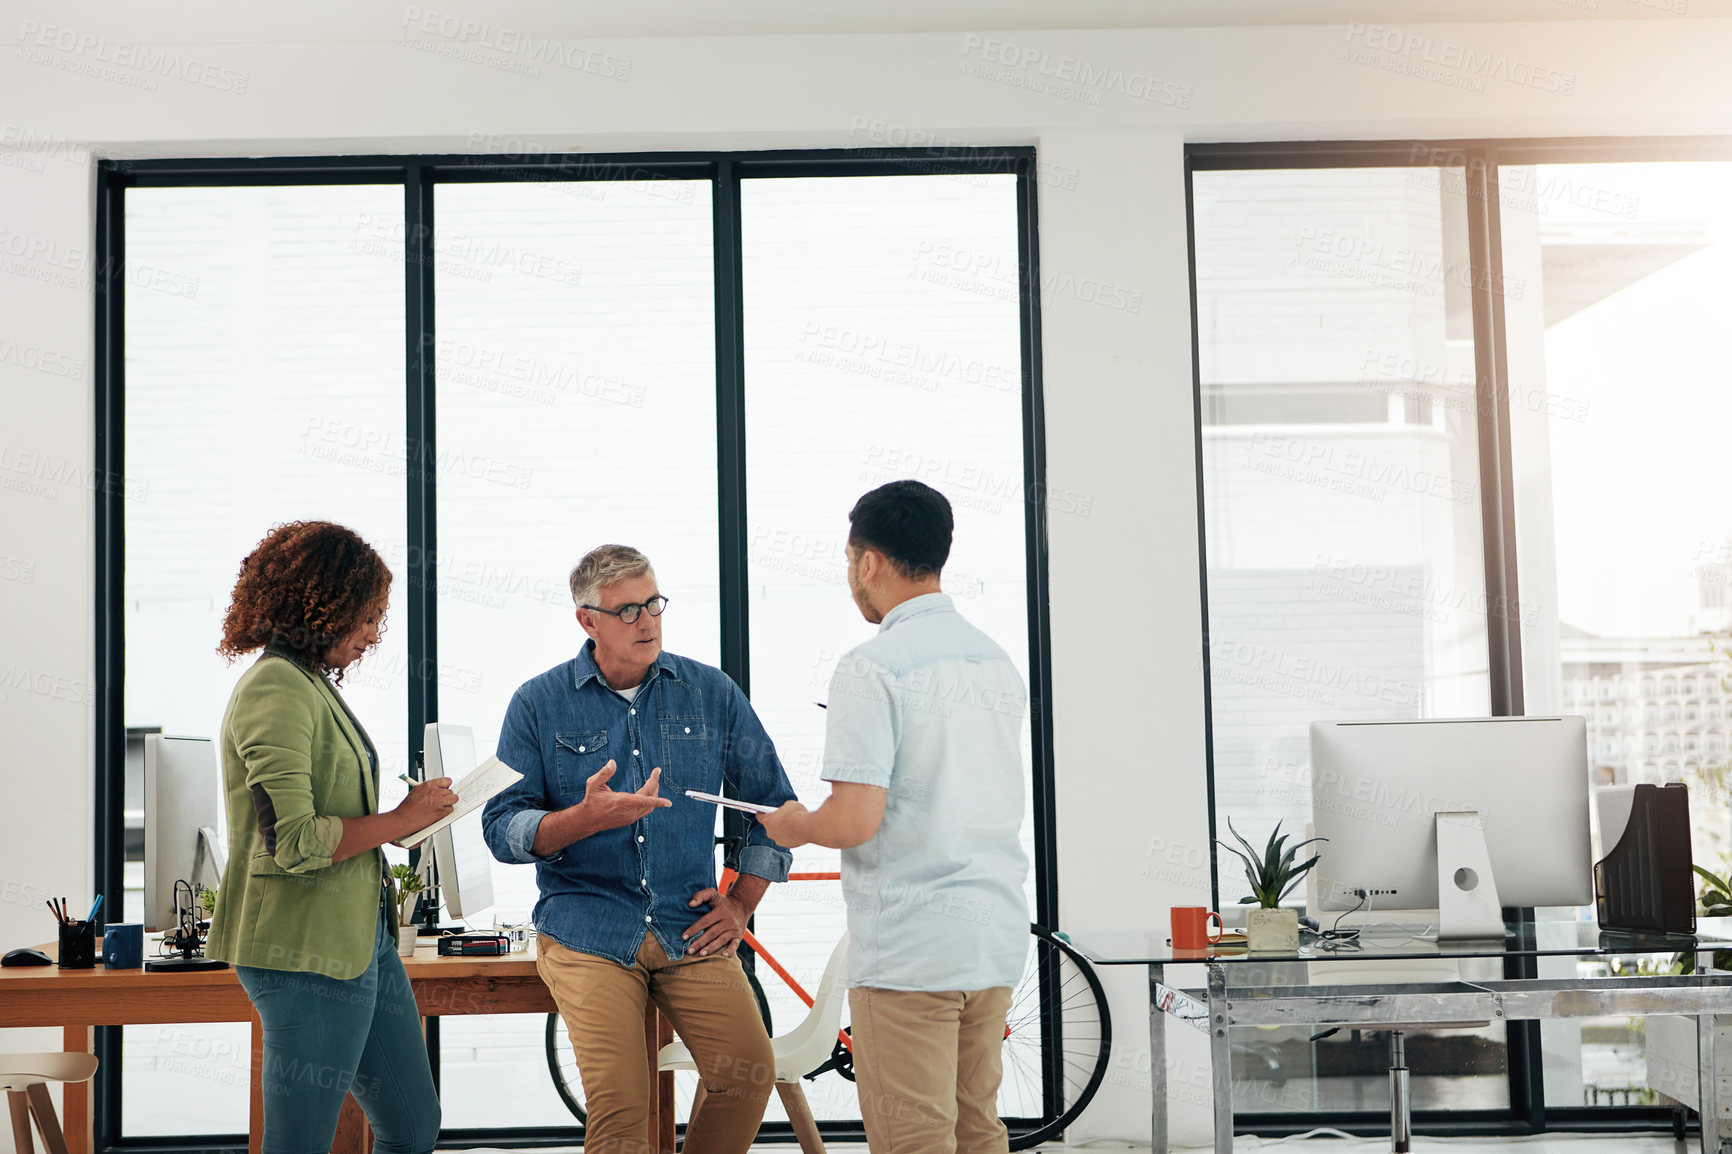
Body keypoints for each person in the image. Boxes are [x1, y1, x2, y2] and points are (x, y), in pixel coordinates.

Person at [482, 544, 797, 1154]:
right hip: (587, 930)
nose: (648, 620)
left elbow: (774, 810)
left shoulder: (711, 693)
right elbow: (502, 828)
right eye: (627, 610)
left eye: (654, 603)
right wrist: (582, 819)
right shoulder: (536, 703)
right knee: (623, 1112)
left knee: (745, 1076)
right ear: (587, 620)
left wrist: (739, 905)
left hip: (689, 927)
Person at [759, 481, 1029, 1154]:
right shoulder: (994, 662)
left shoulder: (871, 667)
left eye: (850, 561)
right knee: (977, 1130)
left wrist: (794, 825)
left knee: (915, 1139)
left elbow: (853, 820)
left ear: (869, 561)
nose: (851, 578)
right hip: (992, 939)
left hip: (912, 954)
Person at [205, 520, 457, 1154]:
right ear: (321, 605)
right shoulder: (275, 686)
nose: (374, 635)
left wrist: (407, 820)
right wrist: (401, 820)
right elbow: (291, 839)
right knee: (301, 1144)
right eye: (367, 617)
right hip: (303, 950)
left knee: (413, 1126)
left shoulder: (310, 681)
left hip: (360, 941)